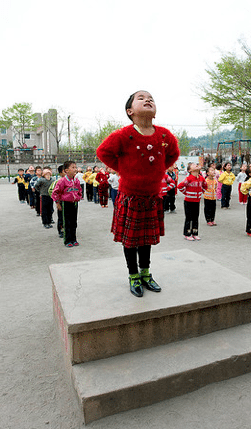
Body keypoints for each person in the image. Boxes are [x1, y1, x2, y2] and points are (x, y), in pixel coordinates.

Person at [97, 90, 180, 298]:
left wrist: (159, 170)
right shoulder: (122, 135)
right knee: (130, 240)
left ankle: (146, 273)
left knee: (146, 240)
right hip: (130, 197)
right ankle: (133, 275)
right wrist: (123, 169)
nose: (148, 100)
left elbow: (174, 154)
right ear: (130, 111)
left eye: (151, 98)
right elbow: (103, 152)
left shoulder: (164, 135)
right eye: (141, 98)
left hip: (152, 197)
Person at [51, 161, 82, 247]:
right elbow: (55, 193)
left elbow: (79, 190)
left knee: (74, 222)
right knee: (67, 223)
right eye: (73, 167)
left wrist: (78, 197)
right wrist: (57, 203)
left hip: (74, 204)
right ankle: (67, 240)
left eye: (75, 167)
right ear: (66, 170)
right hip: (65, 204)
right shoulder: (62, 181)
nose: (75, 169)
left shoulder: (76, 180)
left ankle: (74, 239)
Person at [178, 162, 207, 241]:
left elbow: (205, 186)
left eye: (197, 164)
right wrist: (186, 193)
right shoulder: (189, 178)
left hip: (196, 201)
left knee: (195, 217)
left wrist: (201, 192)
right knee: (189, 218)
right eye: (194, 165)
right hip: (188, 201)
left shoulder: (201, 178)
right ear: (190, 170)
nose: (197, 165)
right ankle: (187, 233)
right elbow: (180, 186)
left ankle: (195, 233)